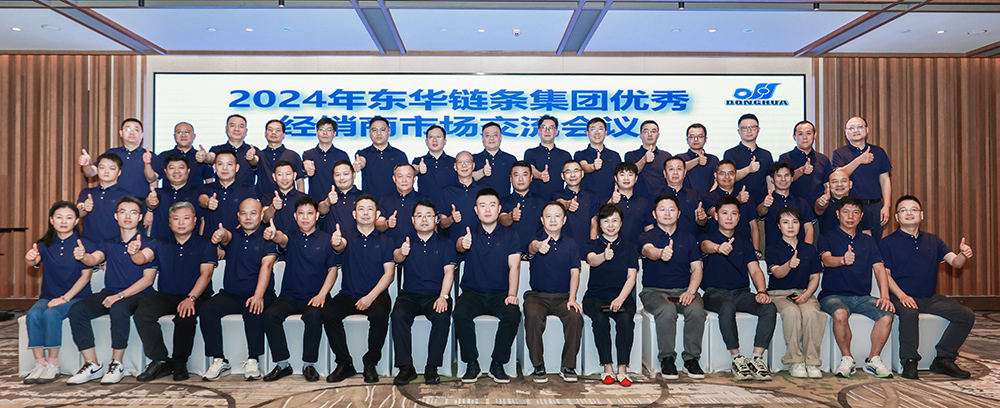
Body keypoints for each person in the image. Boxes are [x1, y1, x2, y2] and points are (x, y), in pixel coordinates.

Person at [880, 195, 975, 379]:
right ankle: (910, 361)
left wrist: (963, 255)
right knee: (909, 313)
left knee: (965, 315)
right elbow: (885, 275)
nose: (909, 213)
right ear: (897, 217)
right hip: (900, 296)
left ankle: (944, 359)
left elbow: (955, 262)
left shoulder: (933, 240)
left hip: (929, 297)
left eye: (913, 210)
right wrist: (902, 296)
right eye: (903, 210)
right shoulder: (887, 243)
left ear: (921, 215)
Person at [67, 197, 155, 385]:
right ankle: (92, 364)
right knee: (77, 310)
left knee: (119, 309)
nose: (128, 216)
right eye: (123, 212)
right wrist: (83, 257)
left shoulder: (149, 242)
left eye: (133, 212)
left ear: (140, 217)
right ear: (116, 216)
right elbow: (94, 259)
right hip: (111, 291)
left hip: (139, 295)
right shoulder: (109, 242)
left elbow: (148, 280)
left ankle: (117, 364)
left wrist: (120, 296)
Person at [130, 201, 217, 382]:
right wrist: (134, 253)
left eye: (186, 218)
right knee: (143, 313)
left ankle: (179, 362)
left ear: (194, 221)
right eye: (176, 219)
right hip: (166, 295)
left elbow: (206, 274)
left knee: (185, 314)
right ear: (170, 222)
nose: (181, 222)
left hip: (197, 295)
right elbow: (141, 259)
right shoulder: (159, 243)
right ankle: (160, 360)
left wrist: (191, 298)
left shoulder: (205, 243)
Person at [261, 197, 339, 382]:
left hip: (315, 297)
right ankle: (283, 364)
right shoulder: (291, 236)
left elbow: (333, 271)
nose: (305, 217)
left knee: (313, 317)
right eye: (301, 213)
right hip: (289, 297)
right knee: (270, 315)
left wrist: (322, 295)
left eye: (309, 213)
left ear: (317, 216)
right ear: (295, 216)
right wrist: (274, 234)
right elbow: (281, 239)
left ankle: (309, 365)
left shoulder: (327, 240)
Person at [199, 198, 277, 381]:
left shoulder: (268, 237)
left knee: (253, 310)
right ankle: (219, 360)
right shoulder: (234, 235)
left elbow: (267, 266)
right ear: (238, 216)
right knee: (207, 309)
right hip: (231, 295)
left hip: (261, 294)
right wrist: (220, 234)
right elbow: (226, 236)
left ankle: (253, 360)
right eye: (244, 213)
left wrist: (258, 295)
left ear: (261, 215)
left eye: (253, 213)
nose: (248, 217)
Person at [817, 195, 894, 378]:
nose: (850, 216)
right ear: (838, 214)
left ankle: (873, 359)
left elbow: (879, 268)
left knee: (887, 314)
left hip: (862, 297)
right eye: (846, 212)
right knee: (840, 313)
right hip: (833, 296)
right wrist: (842, 260)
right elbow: (826, 260)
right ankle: (847, 359)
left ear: (861, 216)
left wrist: (885, 295)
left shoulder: (868, 241)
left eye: (855, 212)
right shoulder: (826, 237)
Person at [699, 196, 775, 381]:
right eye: (724, 213)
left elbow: (755, 270)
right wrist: (718, 248)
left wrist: (762, 291)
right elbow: (705, 247)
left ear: (739, 217)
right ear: (716, 216)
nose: (729, 217)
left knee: (769, 307)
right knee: (727, 306)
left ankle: (757, 358)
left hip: (741, 294)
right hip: (714, 294)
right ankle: (737, 358)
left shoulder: (745, 243)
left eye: (734, 213)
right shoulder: (707, 237)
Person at [323, 194, 395, 384]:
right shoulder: (346, 236)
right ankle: (344, 363)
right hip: (349, 295)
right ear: (354, 214)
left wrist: (370, 297)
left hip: (377, 295)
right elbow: (340, 246)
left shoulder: (386, 240)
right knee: (329, 313)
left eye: (370, 209)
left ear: (377, 214)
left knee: (380, 314)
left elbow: (389, 274)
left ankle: (370, 363)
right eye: (361, 209)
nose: (365, 213)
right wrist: (336, 243)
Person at [453, 188, 522, 384]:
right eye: (482, 206)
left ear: (499, 209)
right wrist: (463, 243)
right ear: (476, 210)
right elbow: (459, 245)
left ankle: (497, 363)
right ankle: (471, 363)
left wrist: (512, 294)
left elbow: (514, 266)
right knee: (460, 313)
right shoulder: (469, 232)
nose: (487, 209)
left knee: (513, 314)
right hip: (472, 293)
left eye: (492, 205)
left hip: (500, 294)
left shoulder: (510, 234)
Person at [22, 202, 94, 384]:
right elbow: (33, 262)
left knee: (51, 314)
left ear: (76, 221)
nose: (64, 221)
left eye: (69, 218)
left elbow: (86, 276)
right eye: (59, 217)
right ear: (51, 220)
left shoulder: (84, 244)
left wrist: (64, 298)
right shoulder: (44, 244)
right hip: (48, 296)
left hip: (77, 297)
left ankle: (53, 364)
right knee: (33, 314)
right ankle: (40, 364)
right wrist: (29, 258)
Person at [638, 194, 707, 381]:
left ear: (678, 213)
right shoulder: (646, 236)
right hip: (654, 291)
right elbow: (648, 251)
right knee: (667, 310)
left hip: (684, 290)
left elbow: (697, 269)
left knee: (697, 310)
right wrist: (661, 252)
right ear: (654, 214)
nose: (667, 213)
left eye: (671, 209)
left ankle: (691, 359)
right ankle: (667, 359)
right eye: (662, 209)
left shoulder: (689, 238)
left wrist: (691, 291)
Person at [390, 200, 456, 385]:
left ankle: (432, 367)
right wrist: (402, 252)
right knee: (398, 315)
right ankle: (406, 368)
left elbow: (449, 272)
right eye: (419, 216)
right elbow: (396, 258)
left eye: (428, 215)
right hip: (409, 295)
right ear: (413, 220)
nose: (424, 219)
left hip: (435, 295)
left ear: (436, 219)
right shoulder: (406, 241)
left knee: (442, 316)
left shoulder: (445, 243)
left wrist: (443, 297)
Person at [524, 202, 583, 383]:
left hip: (563, 297)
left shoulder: (571, 244)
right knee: (532, 316)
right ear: (542, 220)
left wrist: (572, 298)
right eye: (548, 216)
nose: (553, 220)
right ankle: (538, 365)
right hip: (537, 297)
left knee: (575, 317)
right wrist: (538, 246)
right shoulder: (536, 240)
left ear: (564, 220)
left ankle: (568, 365)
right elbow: (532, 247)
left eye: (557, 216)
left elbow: (575, 272)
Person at [764, 207, 825, 379]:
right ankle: (795, 361)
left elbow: (815, 277)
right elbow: (777, 273)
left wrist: (806, 295)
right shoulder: (772, 248)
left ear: (800, 225)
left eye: (795, 222)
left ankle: (812, 361)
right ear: (779, 226)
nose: (790, 226)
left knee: (812, 313)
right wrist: (788, 265)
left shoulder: (809, 249)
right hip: (779, 294)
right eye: (785, 222)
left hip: (804, 292)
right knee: (791, 312)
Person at [584, 204, 639, 387]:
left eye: (614, 220)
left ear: (621, 223)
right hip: (595, 296)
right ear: (600, 224)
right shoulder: (592, 244)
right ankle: (607, 367)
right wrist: (603, 256)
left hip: (622, 296)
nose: (610, 225)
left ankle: (622, 368)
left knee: (625, 319)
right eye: (606, 221)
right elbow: (592, 260)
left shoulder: (630, 247)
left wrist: (620, 299)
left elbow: (631, 278)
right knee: (600, 319)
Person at [831, 116, 892, 241]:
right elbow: (839, 175)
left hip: (875, 206)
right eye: (851, 128)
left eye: (860, 127)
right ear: (846, 132)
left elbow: (885, 180)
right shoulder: (839, 153)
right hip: (851, 207)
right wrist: (859, 160)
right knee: (852, 243)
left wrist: (887, 206)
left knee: (874, 244)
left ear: (867, 130)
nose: (856, 130)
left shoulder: (878, 152)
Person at [78, 118, 150, 200]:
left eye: (136, 130)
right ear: (121, 133)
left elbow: (154, 181)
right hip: (113, 201)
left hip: (140, 202)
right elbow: (91, 173)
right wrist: (86, 165)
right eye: (128, 129)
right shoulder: (112, 153)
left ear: (142, 134)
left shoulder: (149, 156)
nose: (132, 132)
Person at [701, 159, 760, 252]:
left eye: (731, 173)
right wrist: (738, 200)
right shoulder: (708, 196)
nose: (727, 177)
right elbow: (715, 213)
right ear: (716, 176)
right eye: (722, 173)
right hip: (717, 249)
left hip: (743, 250)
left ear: (736, 175)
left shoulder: (745, 196)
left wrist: (756, 251)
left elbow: (754, 226)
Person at [756, 161, 816, 247]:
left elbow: (808, 229)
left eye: (786, 175)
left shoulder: (802, 202)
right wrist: (765, 205)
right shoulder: (767, 201)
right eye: (779, 176)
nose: (783, 179)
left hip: (800, 250)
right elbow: (760, 212)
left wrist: (806, 250)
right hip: (774, 252)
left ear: (792, 178)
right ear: (772, 180)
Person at [198, 150, 257, 234]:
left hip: (237, 240)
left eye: (229, 164)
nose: (224, 168)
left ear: (237, 168)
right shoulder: (206, 188)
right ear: (214, 167)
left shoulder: (247, 190)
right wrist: (207, 202)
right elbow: (202, 199)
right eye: (220, 164)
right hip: (210, 241)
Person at [77, 153, 130, 243]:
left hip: (115, 246)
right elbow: (78, 213)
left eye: (112, 168)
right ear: (97, 170)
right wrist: (84, 207)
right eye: (102, 167)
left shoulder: (126, 196)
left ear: (119, 172)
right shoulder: (87, 192)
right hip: (89, 244)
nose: (106, 171)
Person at [552, 160, 600, 260]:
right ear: (562, 176)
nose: (572, 175)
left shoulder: (592, 196)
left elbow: (594, 224)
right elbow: (559, 202)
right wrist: (567, 204)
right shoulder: (557, 195)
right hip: (562, 250)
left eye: (576, 171)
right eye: (568, 172)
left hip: (585, 249)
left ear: (582, 174)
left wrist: (592, 247)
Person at [724, 113, 774, 206]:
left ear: (758, 130)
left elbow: (770, 180)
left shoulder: (766, 154)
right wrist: (748, 169)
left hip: (762, 205)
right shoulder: (730, 153)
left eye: (753, 127)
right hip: (738, 204)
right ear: (739, 131)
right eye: (745, 128)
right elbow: (729, 178)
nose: (749, 131)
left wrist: (771, 197)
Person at [146, 154, 200, 240]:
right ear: (165, 171)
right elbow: (151, 204)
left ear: (188, 170)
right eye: (172, 168)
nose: (176, 171)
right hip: (161, 244)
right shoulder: (158, 193)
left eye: (181, 168)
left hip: (191, 245)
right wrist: (151, 203)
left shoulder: (198, 193)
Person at [354, 116, 408, 200]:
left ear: (389, 132)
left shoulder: (399, 155)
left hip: (395, 202)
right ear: (370, 133)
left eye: (382, 130)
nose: (378, 133)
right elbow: (361, 161)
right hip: (370, 203)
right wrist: (359, 165)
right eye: (374, 130)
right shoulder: (363, 153)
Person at [144, 122, 214, 186]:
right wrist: (147, 163)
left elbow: (209, 182)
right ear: (174, 136)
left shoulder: (202, 157)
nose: (183, 135)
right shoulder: (164, 156)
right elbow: (152, 179)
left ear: (194, 136)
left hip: (197, 196)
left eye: (187, 132)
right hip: (169, 195)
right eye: (179, 132)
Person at [779, 120, 831, 205]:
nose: (804, 137)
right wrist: (801, 170)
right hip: (792, 208)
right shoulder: (785, 158)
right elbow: (783, 180)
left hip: (818, 208)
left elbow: (827, 185)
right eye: (800, 134)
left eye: (808, 133)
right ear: (794, 137)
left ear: (815, 135)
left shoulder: (823, 159)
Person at [500, 161, 547, 254]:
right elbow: (502, 220)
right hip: (510, 255)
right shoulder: (503, 202)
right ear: (511, 179)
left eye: (524, 175)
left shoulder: (543, 202)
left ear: (531, 178)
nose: (520, 179)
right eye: (516, 175)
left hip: (537, 254)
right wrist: (511, 216)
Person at [249, 119, 305, 197]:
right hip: (263, 199)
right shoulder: (259, 154)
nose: (273, 132)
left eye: (278, 130)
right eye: (270, 130)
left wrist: (301, 199)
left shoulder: (293, 155)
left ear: (284, 135)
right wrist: (251, 158)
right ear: (265, 134)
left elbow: (299, 180)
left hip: (289, 199)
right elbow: (253, 162)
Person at [376, 163, 429, 245]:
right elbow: (378, 225)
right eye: (400, 176)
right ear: (394, 179)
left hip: (417, 248)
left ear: (414, 179)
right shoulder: (385, 199)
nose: (404, 180)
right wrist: (387, 223)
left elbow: (432, 228)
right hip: (390, 248)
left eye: (408, 176)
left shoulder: (424, 199)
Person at [600, 162, 651, 245]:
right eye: (622, 175)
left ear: (636, 178)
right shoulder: (605, 201)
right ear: (616, 178)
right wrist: (611, 202)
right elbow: (600, 222)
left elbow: (649, 229)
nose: (626, 178)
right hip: (611, 249)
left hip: (637, 249)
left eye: (630, 174)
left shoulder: (644, 203)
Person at [302, 117, 350, 202]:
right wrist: (308, 169)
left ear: (334, 134)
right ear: (317, 133)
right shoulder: (309, 154)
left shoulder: (342, 155)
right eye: (322, 129)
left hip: (338, 200)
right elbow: (307, 163)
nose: (325, 133)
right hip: (314, 201)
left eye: (329, 130)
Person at [524, 115, 571, 200]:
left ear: (556, 132)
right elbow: (531, 169)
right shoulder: (530, 153)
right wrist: (540, 175)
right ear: (539, 131)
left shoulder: (565, 155)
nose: (547, 130)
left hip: (558, 200)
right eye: (544, 127)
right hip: (535, 201)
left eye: (551, 128)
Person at [660, 156, 709, 237]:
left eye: (679, 169)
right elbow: (649, 224)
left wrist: (702, 218)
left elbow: (701, 222)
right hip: (662, 242)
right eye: (671, 169)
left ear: (685, 173)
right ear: (665, 173)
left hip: (689, 242)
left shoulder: (694, 195)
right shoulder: (656, 196)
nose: (675, 173)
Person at [202, 114, 256, 187]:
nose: (236, 129)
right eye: (232, 125)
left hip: (247, 193)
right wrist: (205, 157)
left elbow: (255, 161)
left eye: (241, 126)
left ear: (246, 131)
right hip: (221, 193)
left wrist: (252, 158)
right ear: (226, 129)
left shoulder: (253, 151)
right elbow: (211, 157)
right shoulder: (217, 149)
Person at [574, 117, 622, 199]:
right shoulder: (580, 154)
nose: (597, 133)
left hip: (610, 201)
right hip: (587, 201)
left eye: (600, 129)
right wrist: (593, 166)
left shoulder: (614, 155)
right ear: (587, 133)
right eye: (593, 129)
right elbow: (584, 166)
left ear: (606, 132)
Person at [438, 151, 480, 241]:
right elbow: (442, 224)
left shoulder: (484, 189)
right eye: (460, 162)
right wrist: (451, 219)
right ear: (455, 166)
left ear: (473, 166)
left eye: (467, 162)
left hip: (480, 243)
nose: (464, 165)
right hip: (454, 243)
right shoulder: (446, 191)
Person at [412, 125, 457, 206]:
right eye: (431, 137)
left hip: (448, 207)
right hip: (425, 208)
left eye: (438, 137)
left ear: (445, 141)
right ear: (426, 141)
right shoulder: (419, 161)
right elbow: (411, 171)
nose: (435, 140)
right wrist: (418, 168)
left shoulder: (453, 162)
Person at [624, 120, 670, 198]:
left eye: (653, 132)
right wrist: (644, 160)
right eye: (646, 132)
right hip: (638, 199)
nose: (650, 135)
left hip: (661, 199)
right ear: (640, 135)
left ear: (658, 135)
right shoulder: (631, 155)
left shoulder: (666, 156)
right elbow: (631, 172)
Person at [473, 122, 517, 199]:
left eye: (495, 135)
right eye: (487, 135)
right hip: (480, 204)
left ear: (500, 138)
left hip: (504, 203)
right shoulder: (474, 159)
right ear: (483, 139)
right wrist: (482, 172)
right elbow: (466, 179)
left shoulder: (510, 159)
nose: (491, 138)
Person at [319, 159, 363, 234]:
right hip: (333, 240)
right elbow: (320, 210)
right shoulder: (328, 196)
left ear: (353, 175)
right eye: (337, 175)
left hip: (356, 240)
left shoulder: (363, 197)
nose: (341, 178)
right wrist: (327, 202)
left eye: (345, 174)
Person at [262, 160, 306, 234]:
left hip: (298, 240)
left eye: (288, 174)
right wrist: (273, 207)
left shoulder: (304, 198)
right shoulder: (268, 197)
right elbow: (265, 219)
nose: (284, 178)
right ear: (274, 177)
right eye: (280, 175)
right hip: (274, 239)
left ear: (294, 176)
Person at [676, 123, 719, 194]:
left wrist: (709, 196)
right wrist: (697, 161)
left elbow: (718, 180)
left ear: (705, 139)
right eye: (692, 136)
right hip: (685, 198)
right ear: (687, 140)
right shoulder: (679, 158)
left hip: (709, 198)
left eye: (700, 136)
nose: (696, 139)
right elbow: (678, 168)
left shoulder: (713, 159)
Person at [814, 169, 852, 236]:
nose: (839, 184)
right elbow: (819, 209)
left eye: (843, 181)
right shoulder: (826, 202)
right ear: (828, 185)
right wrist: (821, 204)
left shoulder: (858, 205)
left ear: (850, 184)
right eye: (834, 182)